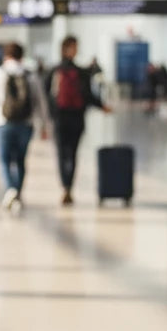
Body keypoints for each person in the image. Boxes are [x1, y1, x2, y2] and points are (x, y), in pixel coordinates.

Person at [0, 43, 49, 211]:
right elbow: (41, 103)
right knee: (20, 160)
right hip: (26, 124)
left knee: (4, 159)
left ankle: (10, 189)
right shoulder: (31, 76)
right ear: (21, 56)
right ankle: (17, 192)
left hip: (2, 123)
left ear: (6, 56)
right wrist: (44, 125)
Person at [48, 35, 111, 205]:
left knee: (62, 153)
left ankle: (65, 186)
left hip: (60, 118)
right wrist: (101, 106)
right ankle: (69, 186)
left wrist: (49, 118)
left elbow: (48, 96)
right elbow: (88, 95)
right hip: (76, 118)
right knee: (73, 153)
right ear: (68, 49)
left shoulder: (54, 70)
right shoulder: (80, 72)